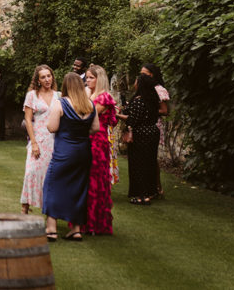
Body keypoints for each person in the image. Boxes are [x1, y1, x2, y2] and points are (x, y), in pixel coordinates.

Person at [42, 72, 99, 241]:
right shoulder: (89, 104)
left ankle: (51, 228)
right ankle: (76, 229)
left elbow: (52, 127)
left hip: (64, 152)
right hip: (83, 151)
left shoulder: (60, 103)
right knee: (78, 189)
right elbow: (95, 128)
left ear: (66, 86)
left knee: (52, 185)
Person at [21, 65, 59, 215]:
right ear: (38, 80)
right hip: (38, 138)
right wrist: (34, 142)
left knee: (50, 176)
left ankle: (50, 211)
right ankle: (25, 207)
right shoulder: (32, 95)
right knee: (31, 172)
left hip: (54, 140)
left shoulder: (59, 96)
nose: (47, 79)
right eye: (43, 77)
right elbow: (28, 120)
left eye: (49, 76)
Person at [85, 64, 117, 235]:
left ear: (99, 79)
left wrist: (86, 97)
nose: (87, 80)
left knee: (96, 180)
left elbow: (88, 116)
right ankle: (85, 220)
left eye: (91, 77)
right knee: (86, 179)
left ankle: (95, 222)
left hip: (97, 141)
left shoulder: (104, 98)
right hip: (86, 139)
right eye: (87, 77)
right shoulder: (91, 95)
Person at [120, 73, 160, 205]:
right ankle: (151, 191)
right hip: (152, 133)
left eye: (136, 81)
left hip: (141, 135)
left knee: (139, 164)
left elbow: (133, 119)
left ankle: (142, 196)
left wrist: (117, 114)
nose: (134, 83)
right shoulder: (153, 99)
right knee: (150, 162)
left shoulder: (139, 100)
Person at [141, 62, 169, 198]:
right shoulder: (143, 88)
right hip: (142, 125)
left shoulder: (158, 89)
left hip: (153, 125)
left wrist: (148, 111)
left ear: (151, 75)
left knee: (151, 158)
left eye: (144, 74)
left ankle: (156, 187)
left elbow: (164, 110)